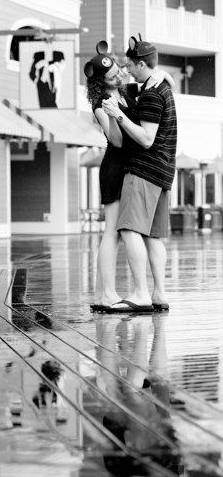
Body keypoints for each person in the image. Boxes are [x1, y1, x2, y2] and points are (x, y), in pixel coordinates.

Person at [84, 41, 174, 310]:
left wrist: (159, 73)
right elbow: (117, 141)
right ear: (101, 83)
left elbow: (163, 79)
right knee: (112, 232)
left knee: (122, 233)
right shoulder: (101, 104)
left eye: (119, 73)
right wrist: (113, 115)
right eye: (112, 77)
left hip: (131, 167)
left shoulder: (129, 91)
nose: (120, 76)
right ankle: (106, 294)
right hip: (115, 166)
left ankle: (103, 294)